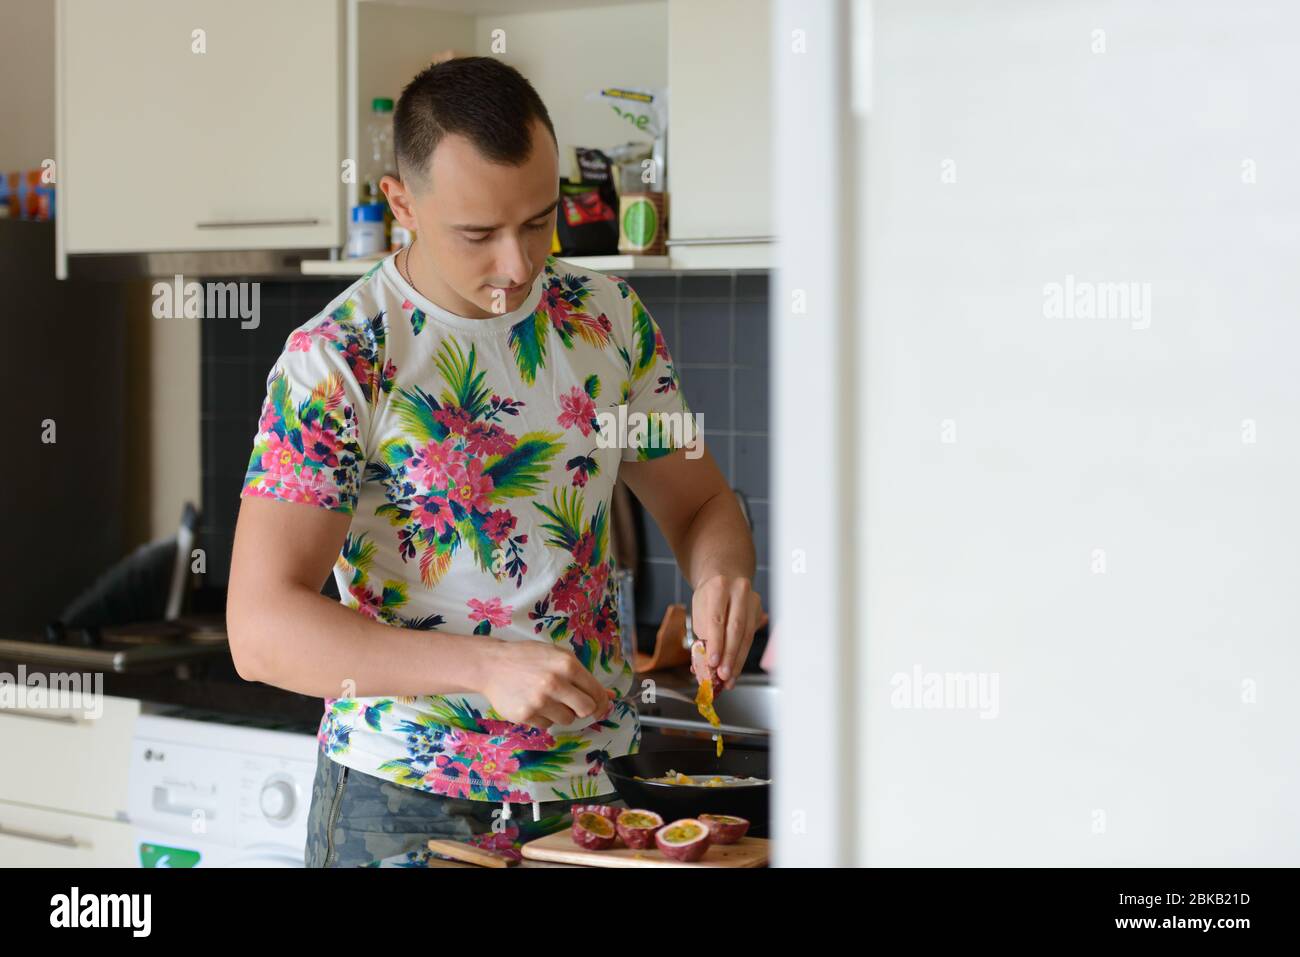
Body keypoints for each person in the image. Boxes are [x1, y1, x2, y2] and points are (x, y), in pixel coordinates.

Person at [227, 57, 763, 867]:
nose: (517, 266)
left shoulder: (606, 320)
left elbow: (701, 507)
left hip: (590, 794)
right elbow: (260, 628)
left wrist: (723, 575)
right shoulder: (339, 359)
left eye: (539, 223)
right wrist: (484, 665)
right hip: (401, 801)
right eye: (478, 234)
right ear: (400, 203)